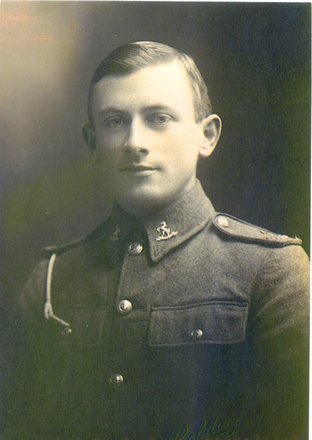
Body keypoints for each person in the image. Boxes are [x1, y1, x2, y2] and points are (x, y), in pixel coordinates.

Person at [5, 41, 309, 440]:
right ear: (93, 143)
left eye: (159, 118)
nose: (135, 142)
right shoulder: (50, 281)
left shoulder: (272, 273)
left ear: (207, 136)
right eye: (115, 121)